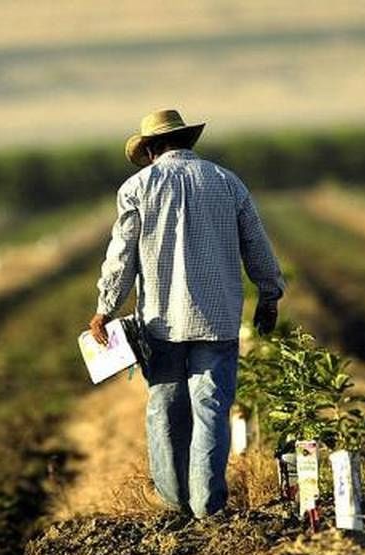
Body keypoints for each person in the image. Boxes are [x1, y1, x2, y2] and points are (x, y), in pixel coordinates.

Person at [89, 109, 285, 519]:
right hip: (217, 319)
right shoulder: (226, 182)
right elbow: (256, 244)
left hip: (160, 321)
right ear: (185, 142)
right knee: (212, 409)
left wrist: (105, 308)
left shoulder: (137, 188)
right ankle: (207, 508)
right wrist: (269, 295)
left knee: (164, 410)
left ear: (151, 149)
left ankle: (174, 504)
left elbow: (121, 255)